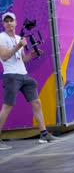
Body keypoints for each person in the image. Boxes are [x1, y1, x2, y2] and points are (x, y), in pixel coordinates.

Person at [0, 12, 61, 150]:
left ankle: (44, 134)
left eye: (11, 21)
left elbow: (23, 59)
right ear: (3, 24)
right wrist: (18, 46)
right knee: (7, 106)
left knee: (37, 102)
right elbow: (4, 57)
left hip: (24, 74)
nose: (9, 23)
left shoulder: (18, 37)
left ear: (16, 23)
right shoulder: (1, 38)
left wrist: (32, 55)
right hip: (11, 75)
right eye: (6, 21)